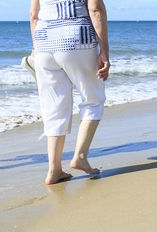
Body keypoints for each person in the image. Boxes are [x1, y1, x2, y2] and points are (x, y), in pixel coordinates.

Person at [30, 0, 110, 185]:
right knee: (93, 99)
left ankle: (54, 169)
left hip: (43, 42)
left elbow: (34, 15)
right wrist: (104, 51)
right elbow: (95, 9)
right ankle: (80, 156)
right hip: (76, 38)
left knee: (54, 106)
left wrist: (36, 47)